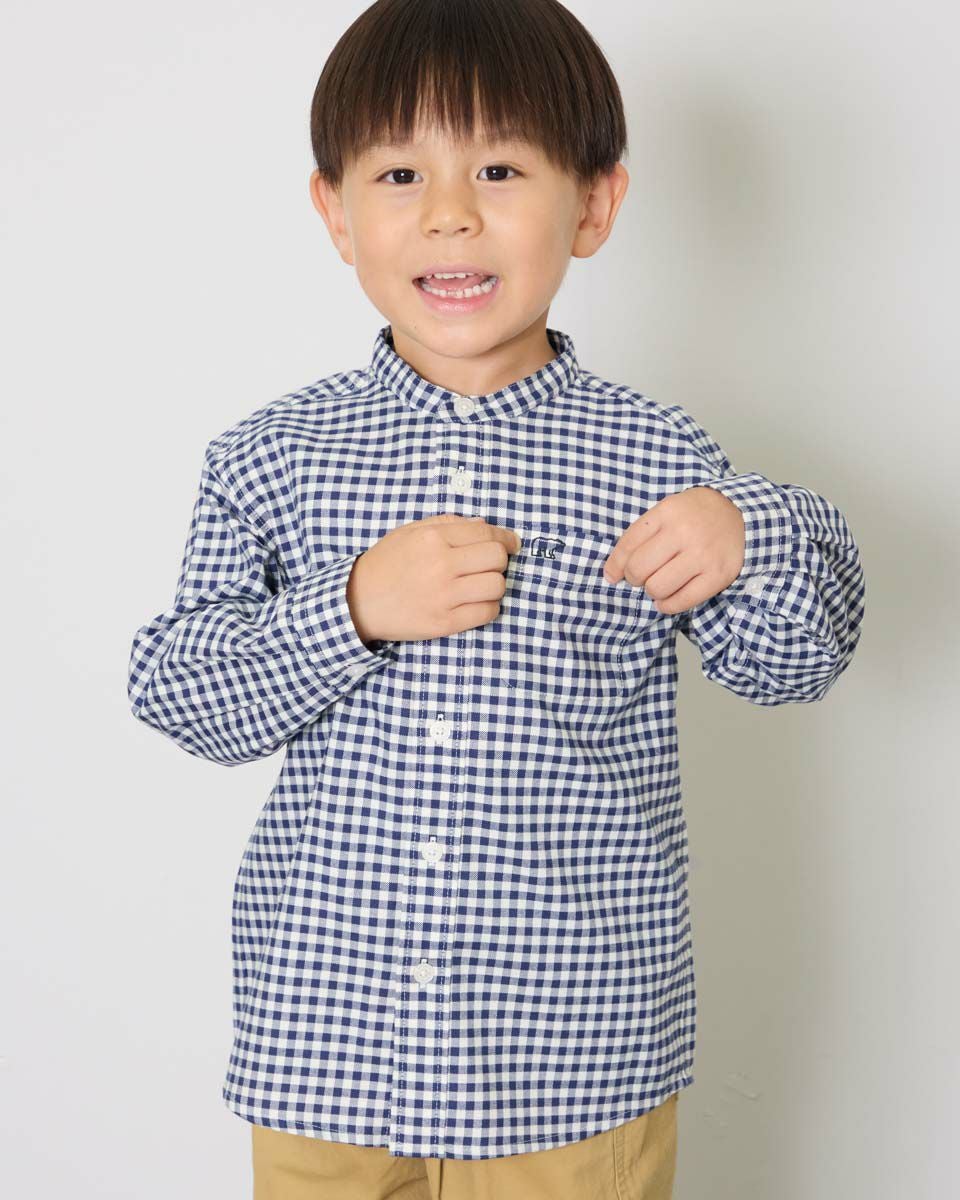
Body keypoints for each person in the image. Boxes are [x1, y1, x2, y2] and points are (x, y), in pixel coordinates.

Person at [126, 1, 866, 1196]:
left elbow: (790, 664)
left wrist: (759, 530)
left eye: (501, 170)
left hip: (571, 1062)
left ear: (596, 205)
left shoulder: (658, 458)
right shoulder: (273, 456)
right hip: (329, 1046)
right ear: (335, 213)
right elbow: (180, 691)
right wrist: (350, 609)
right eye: (400, 174)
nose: (449, 213)